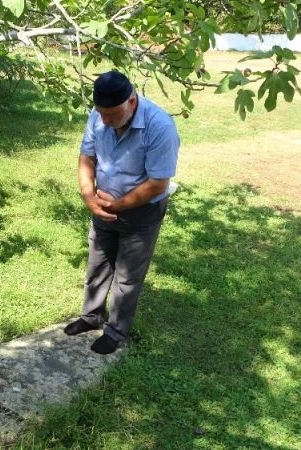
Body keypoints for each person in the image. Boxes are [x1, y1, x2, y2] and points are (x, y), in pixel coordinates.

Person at [64, 70, 180, 354]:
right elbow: (86, 157)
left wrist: (117, 205)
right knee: (98, 264)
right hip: (101, 205)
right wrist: (89, 197)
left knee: (127, 276)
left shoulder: (160, 127)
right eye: (101, 114)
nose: (104, 121)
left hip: (142, 212)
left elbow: (157, 184)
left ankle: (116, 330)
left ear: (131, 101)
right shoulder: (99, 114)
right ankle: (91, 317)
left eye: (111, 115)